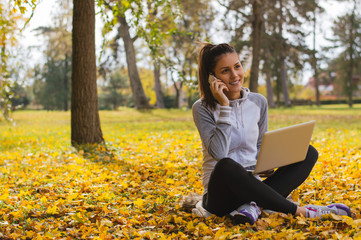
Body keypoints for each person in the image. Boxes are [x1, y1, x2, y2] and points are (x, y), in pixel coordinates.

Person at [191, 42, 351, 225]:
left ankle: (253, 206)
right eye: (225, 71)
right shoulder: (202, 108)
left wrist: (266, 163)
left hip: (255, 185)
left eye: (237, 66)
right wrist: (225, 106)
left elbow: (259, 146)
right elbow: (219, 153)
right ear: (212, 77)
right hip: (220, 196)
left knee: (308, 153)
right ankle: (301, 212)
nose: (235, 75)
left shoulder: (258, 102)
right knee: (227, 164)